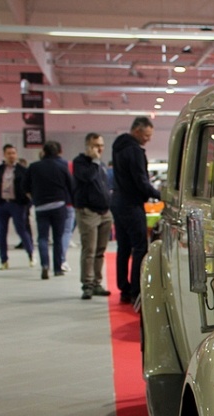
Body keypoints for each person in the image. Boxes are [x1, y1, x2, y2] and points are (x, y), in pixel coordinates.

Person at [112, 116, 161, 305]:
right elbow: (141, 181)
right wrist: (159, 195)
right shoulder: (134, 151)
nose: (148, 139)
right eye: (147, 135)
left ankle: (124, 288)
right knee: (140, 247)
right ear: (138, 131)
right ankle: (136, 291)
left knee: (123, 248)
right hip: (131, 205)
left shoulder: (118, 147)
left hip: (118, 202)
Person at [24, 141, 75, 280]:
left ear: (44, 152)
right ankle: (58, 268)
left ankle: (45, 265)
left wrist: (34, 198)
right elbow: (71, 186)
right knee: (58, 238)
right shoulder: (62, 166)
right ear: (58, 152)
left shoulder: (34, 167)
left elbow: (25, 187)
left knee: (42, 238)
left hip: (41, 206)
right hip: (59, 205)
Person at [72, 133, 114, 300]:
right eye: (96, 145)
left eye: (101, 145)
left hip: (104, 212)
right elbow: (87, 177)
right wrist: (95, 160)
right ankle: (87, 284)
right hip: (88, 212)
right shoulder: (81, 163)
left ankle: (97, 283)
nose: (100, 149)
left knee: (100, 251)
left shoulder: (101, 165)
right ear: (88, 146)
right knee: (89, 250)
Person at [0, 144, 36, 269]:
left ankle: (31, 254)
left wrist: (26, 202)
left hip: (17, 204)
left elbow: (28, 187)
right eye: (9, 153)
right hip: (1, 204)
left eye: (13, 153)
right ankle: (3, 260)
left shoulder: (23, 170)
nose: (11, 156)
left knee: (21, 230)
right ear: (4, 155)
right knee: (1, 232)